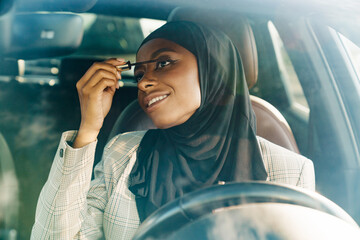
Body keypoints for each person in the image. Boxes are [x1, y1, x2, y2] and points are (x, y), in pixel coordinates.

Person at [31, 21, 315, 239]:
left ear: (213, 69)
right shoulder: (123, 152)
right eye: (139, 74)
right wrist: (88, 130)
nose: (142, 84)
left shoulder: (290, 171)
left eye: (163, 63)